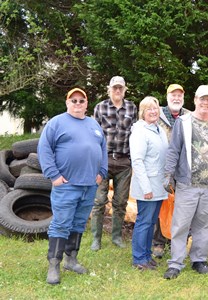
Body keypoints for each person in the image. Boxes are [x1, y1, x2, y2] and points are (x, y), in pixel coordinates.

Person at [38, 88, 107, 284]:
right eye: (74, 100)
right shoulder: (56, 123)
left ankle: (72, 260)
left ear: (86, 104)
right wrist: (54, 176)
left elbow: (102, 148)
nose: (77, 104)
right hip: (66, 185)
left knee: (78, 224)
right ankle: (54, 264)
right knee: (61, 224)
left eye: (81, 100)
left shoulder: (93, 124)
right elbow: (44, 149)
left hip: (89, 186)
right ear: (67, 103)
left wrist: (101, 173)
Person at [162, 85, 208, 280]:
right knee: (181, 224)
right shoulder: (183, 122)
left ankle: (199, 260)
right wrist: (168, 174)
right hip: (187, 184)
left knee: (205, 225)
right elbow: (174, 150)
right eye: (202, 99)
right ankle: (176, 263)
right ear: (195, 100)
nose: (205, 103)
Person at [90, 76, 138, 250]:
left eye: (120, 88)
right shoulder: (100, 107)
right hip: (104, 161)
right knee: (99, 201)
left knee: (120, 202)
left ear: (125, 90)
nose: (117, 91)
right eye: (114, 88)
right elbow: (94, 136)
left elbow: (136, 133)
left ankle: (117, 237)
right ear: (109, 89)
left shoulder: (132, 108)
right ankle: (96, 239)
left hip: (124, 162)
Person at [129, 96, 168, 271]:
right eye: (148, 109)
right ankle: (139, 258)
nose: (153, 111)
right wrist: (146, 188)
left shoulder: (158, 129)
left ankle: (146, 255)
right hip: (148, 186)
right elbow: (137, 161)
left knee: (151, 222)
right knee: (144, 221)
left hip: (159, 184)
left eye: (155, 108)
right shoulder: (140, 131)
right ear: (142, 113)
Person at [152, 83, 190, 259]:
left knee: (181, 205)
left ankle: (178, 240)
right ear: (167, 97)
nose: (176, 98)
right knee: (161, 205)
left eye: (179, 96)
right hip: (161, 166)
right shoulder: (156, 114)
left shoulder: (190, 116)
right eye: (173, 95)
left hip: (183, 169)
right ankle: (158, 242)